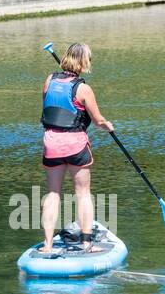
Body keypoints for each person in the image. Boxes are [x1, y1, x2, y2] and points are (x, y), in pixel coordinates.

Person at [39, 42, 113, 255]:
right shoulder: (83, 88)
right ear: (83, 62)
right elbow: (97, 120)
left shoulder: (49, 81)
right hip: (75, 145)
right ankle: (86, 244)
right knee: (82, 193)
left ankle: (47, 245)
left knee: (53, 193)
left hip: (51, 143)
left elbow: (50, 109)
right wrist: (107, 125)